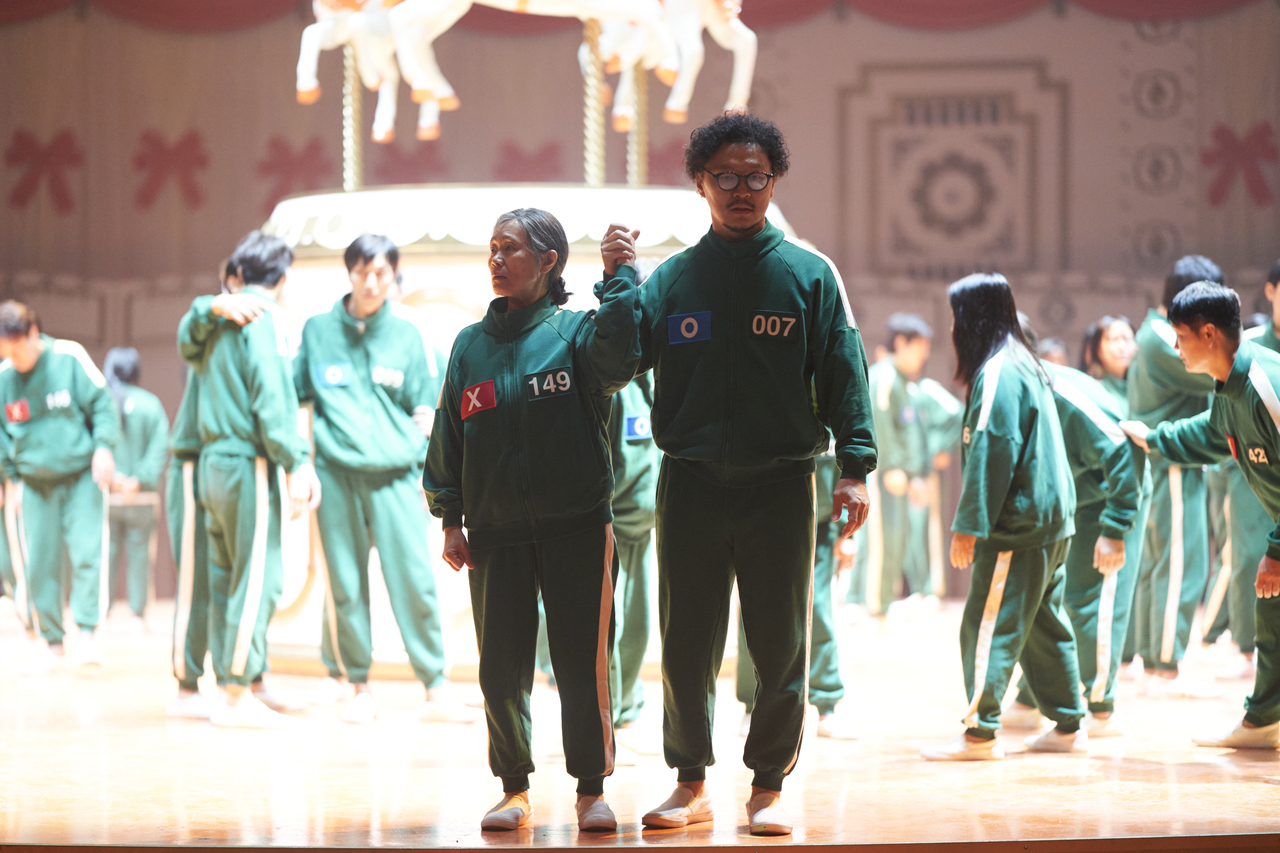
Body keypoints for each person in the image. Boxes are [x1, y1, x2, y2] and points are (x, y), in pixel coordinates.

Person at [620, 114, 875, 836]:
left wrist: (855, 468)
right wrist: (617, 284)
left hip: (783, 484)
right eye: (725, 177)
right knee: (687, 638)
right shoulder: (671, 279)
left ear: (774, 180)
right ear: (700, 184)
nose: (741, 190)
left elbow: (844, 376)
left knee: (778, 641)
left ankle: (768, 785)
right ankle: (690, 780)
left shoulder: (808, 275)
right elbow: (615, 363)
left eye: (755, 176)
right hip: (691, 483)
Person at [423, 208, 640, 833]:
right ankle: (513, 788)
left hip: (577, 526)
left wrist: (620, 275)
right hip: (495, 535)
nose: (496, 259)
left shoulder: (577, 334)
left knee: (581, 663)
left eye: (510, 249)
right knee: (500, 668)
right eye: (492, 248)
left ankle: (591, 789)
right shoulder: (469, 345)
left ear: (548, 262)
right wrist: (450, 517)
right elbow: (450, 435)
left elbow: (623, 357)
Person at [295, 233, 475, 725]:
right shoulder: (316, 331)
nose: (372, 283)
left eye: (382, 274)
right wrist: (299, 462)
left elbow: (431, 411)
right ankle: (356, 684)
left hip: (396, 477)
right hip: (337, 477)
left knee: (414, 580)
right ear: (349, 272)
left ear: (394, 276)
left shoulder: (411, 333)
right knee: (345, 583)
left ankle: (435, 685)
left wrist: (432, 478)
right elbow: (295, 396)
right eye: (362, 272)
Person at [921, 273, 1084, 761]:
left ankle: (980, 732)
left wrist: (970, 523)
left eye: (956, 317)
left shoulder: (997, 372)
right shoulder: (1024, 363)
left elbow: (995, 449)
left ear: (972, 319)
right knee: (1042, 624)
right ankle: (1069, 723)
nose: (952, 329)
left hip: (1018, 525)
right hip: (1051, 521)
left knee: (985, 624)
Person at [1121, 281, 1280, 748]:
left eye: (1180, 336)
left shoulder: (1265, 387)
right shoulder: (1228, 388)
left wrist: (1276, 550)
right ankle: (1263, 722)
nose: (1175, 347)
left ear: (1208, 333)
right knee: (1270, 611)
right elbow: (1212, 435)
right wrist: (1154, 438)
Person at [178, 231, 321, 727]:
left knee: (223, 577)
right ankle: (237, 693)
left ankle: (232, 685)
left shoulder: (218, 319)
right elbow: (272, 397)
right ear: (281, 278)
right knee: (259, 577)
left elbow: (186, 346)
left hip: (212, 461)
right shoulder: (267, 319)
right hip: (248, 461)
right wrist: (296, 460)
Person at [1005, 316, 1149, 737]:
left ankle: (1101, 707)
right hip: (1078, 501)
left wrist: (1116, 526)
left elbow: (1126, 449)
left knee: (1096, 603)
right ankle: (1033, 696)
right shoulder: (1019, 387)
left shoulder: (1062, 389)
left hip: (1111, 500)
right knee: (1058, 600)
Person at [0, 301, 120, 669]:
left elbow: (102, 402)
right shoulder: (4, 378)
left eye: (17, 348)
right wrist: (9, 479)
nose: (14, 358)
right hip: (33, 483)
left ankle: (87, 634)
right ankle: (50, 640)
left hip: (81, 475)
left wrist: (104, 447)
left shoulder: (70, 357)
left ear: (34, 335)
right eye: (6, 350)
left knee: (87, 553)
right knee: (38, 562)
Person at [1128, 255, 1222, 697]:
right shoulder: (1168, 339)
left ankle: (1155, 663)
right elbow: (1216, 373)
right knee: (1181, 566)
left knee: (1158, 565)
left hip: (1162, 461)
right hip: (1173, 463)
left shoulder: (1154, 333)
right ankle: (1164, 666)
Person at [735, 441, 857, 742]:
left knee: (818, 608)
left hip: (822, 524)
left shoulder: (832, 400)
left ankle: (826, 704)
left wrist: (848, 532)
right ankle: (752, 706)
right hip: (766, 514)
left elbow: (850, 463)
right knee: (756, 607)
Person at [864, 313, 942, 614]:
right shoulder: (884, 376)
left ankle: (883, 604)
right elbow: (879, 423)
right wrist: (890, 465)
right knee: (883, 542)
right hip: (885, 474)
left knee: (897, 541)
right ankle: (874, 605)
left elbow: (907, 431)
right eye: (919, 348)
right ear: (901, 343)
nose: (924, 356)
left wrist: (914, 474)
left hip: (901, 476)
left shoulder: (901, 381)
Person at [102, 346, 169, 627]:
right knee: (141, 555)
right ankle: (137, 616)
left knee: (105, 554)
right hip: (142, 498)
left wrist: (114, 478)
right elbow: (160, 447)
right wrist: (138, 478)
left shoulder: (103, 402)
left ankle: (99, 613)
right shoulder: (151, 405)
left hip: (108, 496)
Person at [608, 374, 659, 732]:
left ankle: (627, 710)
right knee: (611, 629)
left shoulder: (656, 381)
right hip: (612, 529)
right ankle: (607, 717)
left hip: (645, 527)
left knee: (638, 627)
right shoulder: (612, 385)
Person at [1081, 315, 1136, 416]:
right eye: (1114, 339)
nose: (1122, 347)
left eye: (1127, 339)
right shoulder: (1094, 390)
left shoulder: (1145, 387)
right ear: (1098, 348)